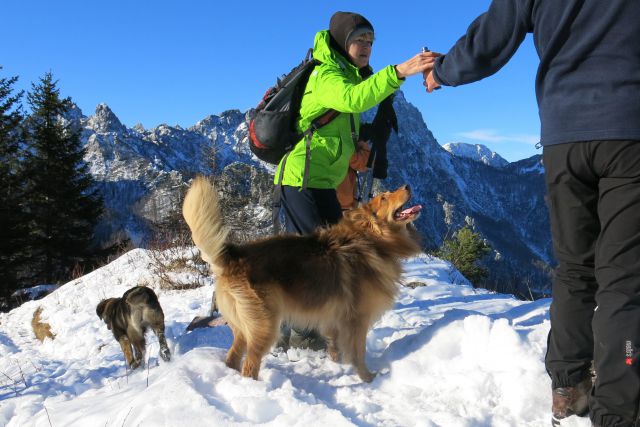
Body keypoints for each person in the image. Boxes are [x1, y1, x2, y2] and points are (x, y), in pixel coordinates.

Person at [423, 2, 640, 426]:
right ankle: (618, 411)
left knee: (575, 268)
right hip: (630, 131)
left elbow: (492, 36)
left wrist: (444, 71)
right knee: (624, 281)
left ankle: (567, 386)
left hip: (564, 135)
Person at [275, 11, 437, 350]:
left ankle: (295, 329)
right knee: (316, 260)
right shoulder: (327, 74)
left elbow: (332, 134)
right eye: (359, 39)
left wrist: (361, 146)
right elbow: (353, 99)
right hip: (299, 181)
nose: (366, 47)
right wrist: (401, 71)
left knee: (333, 257)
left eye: (370, 42)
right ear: (342, 41)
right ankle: (306, 338)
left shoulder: (346, 76)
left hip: (322, 183)